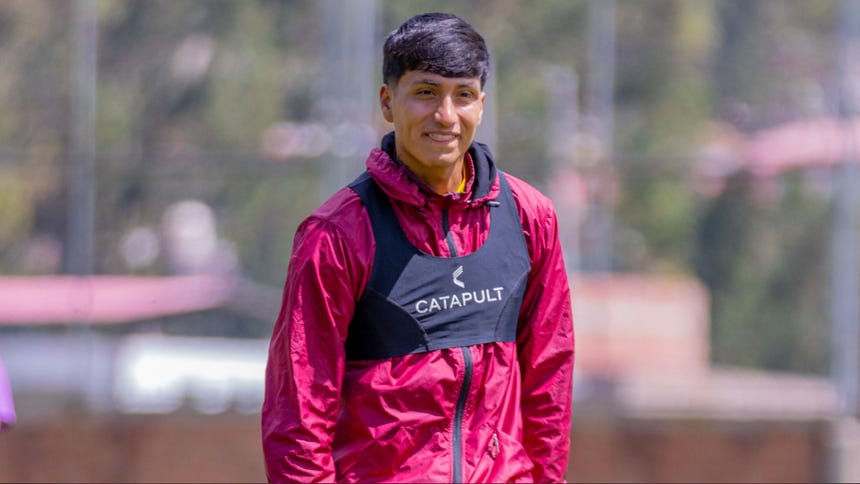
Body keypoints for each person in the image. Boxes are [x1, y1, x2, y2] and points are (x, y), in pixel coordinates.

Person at [262, 12, 574, 483]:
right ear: (388, 102)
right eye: (426, 92)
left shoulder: (531, 218)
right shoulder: (336, 234)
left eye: (462, 95)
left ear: (481, 105)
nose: (445, 115)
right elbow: (298, 417)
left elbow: (549, 380)